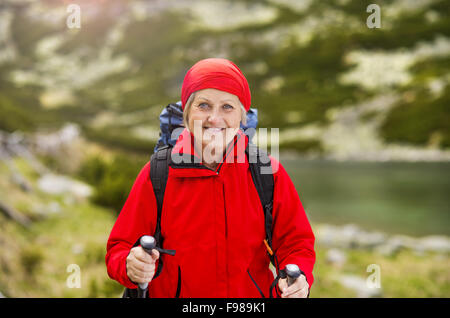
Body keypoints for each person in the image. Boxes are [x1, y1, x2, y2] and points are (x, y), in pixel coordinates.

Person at [105, 58, 316, 298]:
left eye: (227, 107)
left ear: (241, 118)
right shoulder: (159, 172)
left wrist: (300, 278)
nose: (214, 118)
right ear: (187, 114)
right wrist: (130, 265)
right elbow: (118, 250)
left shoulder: (266, 171)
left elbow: (296, 244)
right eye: (203, 105)